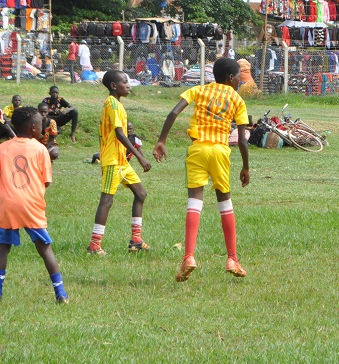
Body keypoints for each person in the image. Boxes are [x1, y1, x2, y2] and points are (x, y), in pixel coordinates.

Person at [153, 57, 250, 282]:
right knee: (225, 203)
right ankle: (232, 258)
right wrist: (245, 167)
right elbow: (243, 140)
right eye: (238, 77)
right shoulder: (236, 99)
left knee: (194, 203)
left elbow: (173, 113)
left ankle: (188, 256)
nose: (239, 82)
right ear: (230, 78)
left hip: (197, 149)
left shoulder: (198, 90)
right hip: (220, 151)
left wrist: (162, 140)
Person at [0, 107, 69, 304]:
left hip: (5, 205)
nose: (42, 127)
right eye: (40, 125)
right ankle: (61, 293)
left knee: (2, 248)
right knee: (44, 248)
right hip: (31, 204)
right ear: (33, 128)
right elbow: (46, 181)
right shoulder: (40, 149)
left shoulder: (2, 148)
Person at [87, 71, 153, 255]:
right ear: (114, 86)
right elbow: (119, 133)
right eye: (125, 82)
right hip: (112, 161)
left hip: (121, 161)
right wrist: (139, 156)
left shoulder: (118, 104)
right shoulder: (112, 104)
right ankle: (94, 245)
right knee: (106, 201)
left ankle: (136, 241)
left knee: (141, 193)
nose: (128, 84)